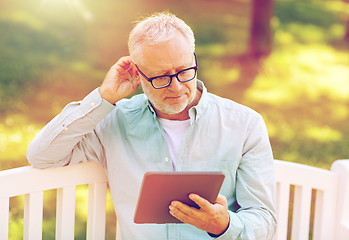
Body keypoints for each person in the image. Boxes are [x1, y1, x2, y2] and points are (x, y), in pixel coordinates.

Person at [27, 11, 277, 240]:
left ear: (193, 59)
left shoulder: (245, 124)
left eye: (184, 71)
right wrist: (103, 98)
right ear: (138, 74)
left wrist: (224, 225)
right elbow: (42, 155)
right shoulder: (114, 122)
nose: (176, 87)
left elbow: (265, 220)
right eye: (160, 77)